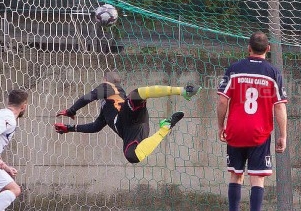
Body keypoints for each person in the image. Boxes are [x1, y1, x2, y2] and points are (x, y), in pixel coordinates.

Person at [53, 71, 199, 163]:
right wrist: (69, 128)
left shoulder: (109, 87)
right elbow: (96, 126)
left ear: (105, 80)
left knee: (136, 94)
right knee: (132, 156)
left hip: (129, 117)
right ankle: (166, 127)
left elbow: (88, 97)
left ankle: (183, 91)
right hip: (132, 132)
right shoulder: (106, 107)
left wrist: (71, 110)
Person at [216, 31, 288, 211]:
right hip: (259, 133)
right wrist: (283, 135)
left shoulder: (233, 69)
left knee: (236, 175)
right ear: (268, 49)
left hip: (236, 131)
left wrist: (220, 125)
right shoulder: (273, 73)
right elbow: (279, 106)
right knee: (257, 178)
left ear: (248, 48)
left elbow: (222, 100)